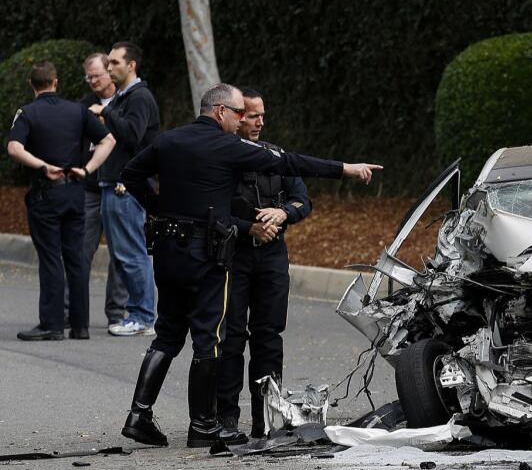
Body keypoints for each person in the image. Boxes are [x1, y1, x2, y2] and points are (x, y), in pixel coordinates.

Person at [118, 83, 380, 448]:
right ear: (221, 112)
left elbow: (130, 173)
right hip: (206, 254)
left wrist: (158, 207)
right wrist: (344, 169)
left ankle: (138, 414)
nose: (243, 120)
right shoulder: (226, 146)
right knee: (212, 337)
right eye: (240, 113)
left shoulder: (168, 141)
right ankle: (204, 425)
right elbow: (289, 162)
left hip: (167, 250)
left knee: (168, 332)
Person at [215, 89, 310, 443]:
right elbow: (213, 209)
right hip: (235, 255)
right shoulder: (222, 158)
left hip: (272, 256)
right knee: (232, 339)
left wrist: (283, 213)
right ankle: (226, 419)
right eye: (252, 116)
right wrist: (249, 226)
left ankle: (267, 418)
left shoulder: (276, 156)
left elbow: (304, 200)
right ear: (237, 117)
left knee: (269, 337)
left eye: (262, 116)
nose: (258, 122)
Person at [6, 62, 115, 340]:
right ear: (55, 82)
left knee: (51, 257)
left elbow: (14, 148)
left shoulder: (27, 113)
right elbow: (108, 140)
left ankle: (52, 324)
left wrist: (43, 166)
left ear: (32, 85)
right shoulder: (77, 111)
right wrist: (88, 169)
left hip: (47, 192)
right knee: (76, 258)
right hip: (75, 189)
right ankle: (80, 326)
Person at [98, 41, 159, 337]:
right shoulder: (124, 97)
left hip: (127, 187)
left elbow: (133, 136)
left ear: (132, 65)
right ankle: (138, 313)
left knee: (132, 253)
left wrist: (106, 112)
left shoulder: (139, 97)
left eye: (115, 63)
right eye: (108, 63)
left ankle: (143, 316)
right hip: (114, 183)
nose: (109, 68)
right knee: (124, 254)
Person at [78, 53, 129, 329]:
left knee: (120, 253)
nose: (93, 81)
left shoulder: (126, 102)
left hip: (119, 186)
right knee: (79, 250)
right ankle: (73, 311)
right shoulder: (83, 107)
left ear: (110, 72)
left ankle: (117, 312)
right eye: (89, 77)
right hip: (89, 187)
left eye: (97, 75)